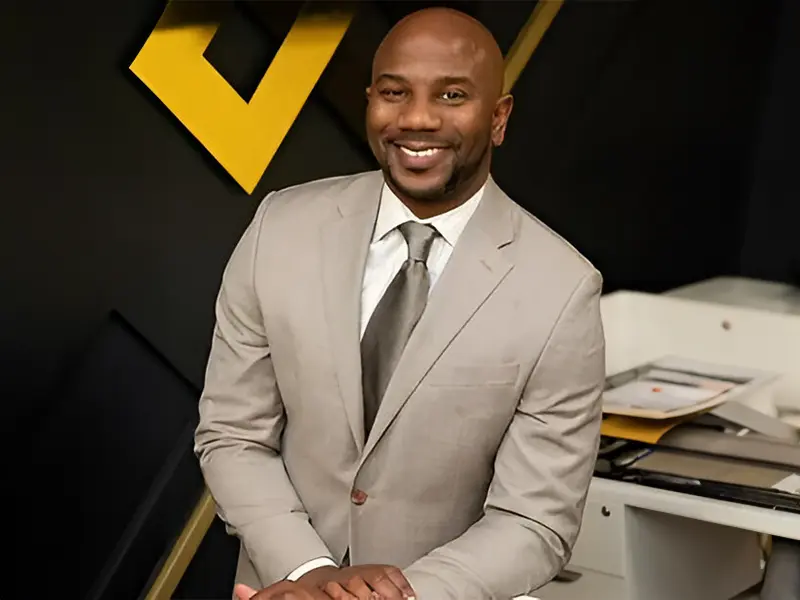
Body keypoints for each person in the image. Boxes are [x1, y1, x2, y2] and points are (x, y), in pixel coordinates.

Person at [194, 6, 606, 600]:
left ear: (498, 119)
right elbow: (234, 434)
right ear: (369, 101)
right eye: (394, 93)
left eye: (452, 95)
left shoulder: (562, 288)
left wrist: (384, 597)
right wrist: (309, 575)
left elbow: (535, 521)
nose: (416, 118)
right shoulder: (277, 228)